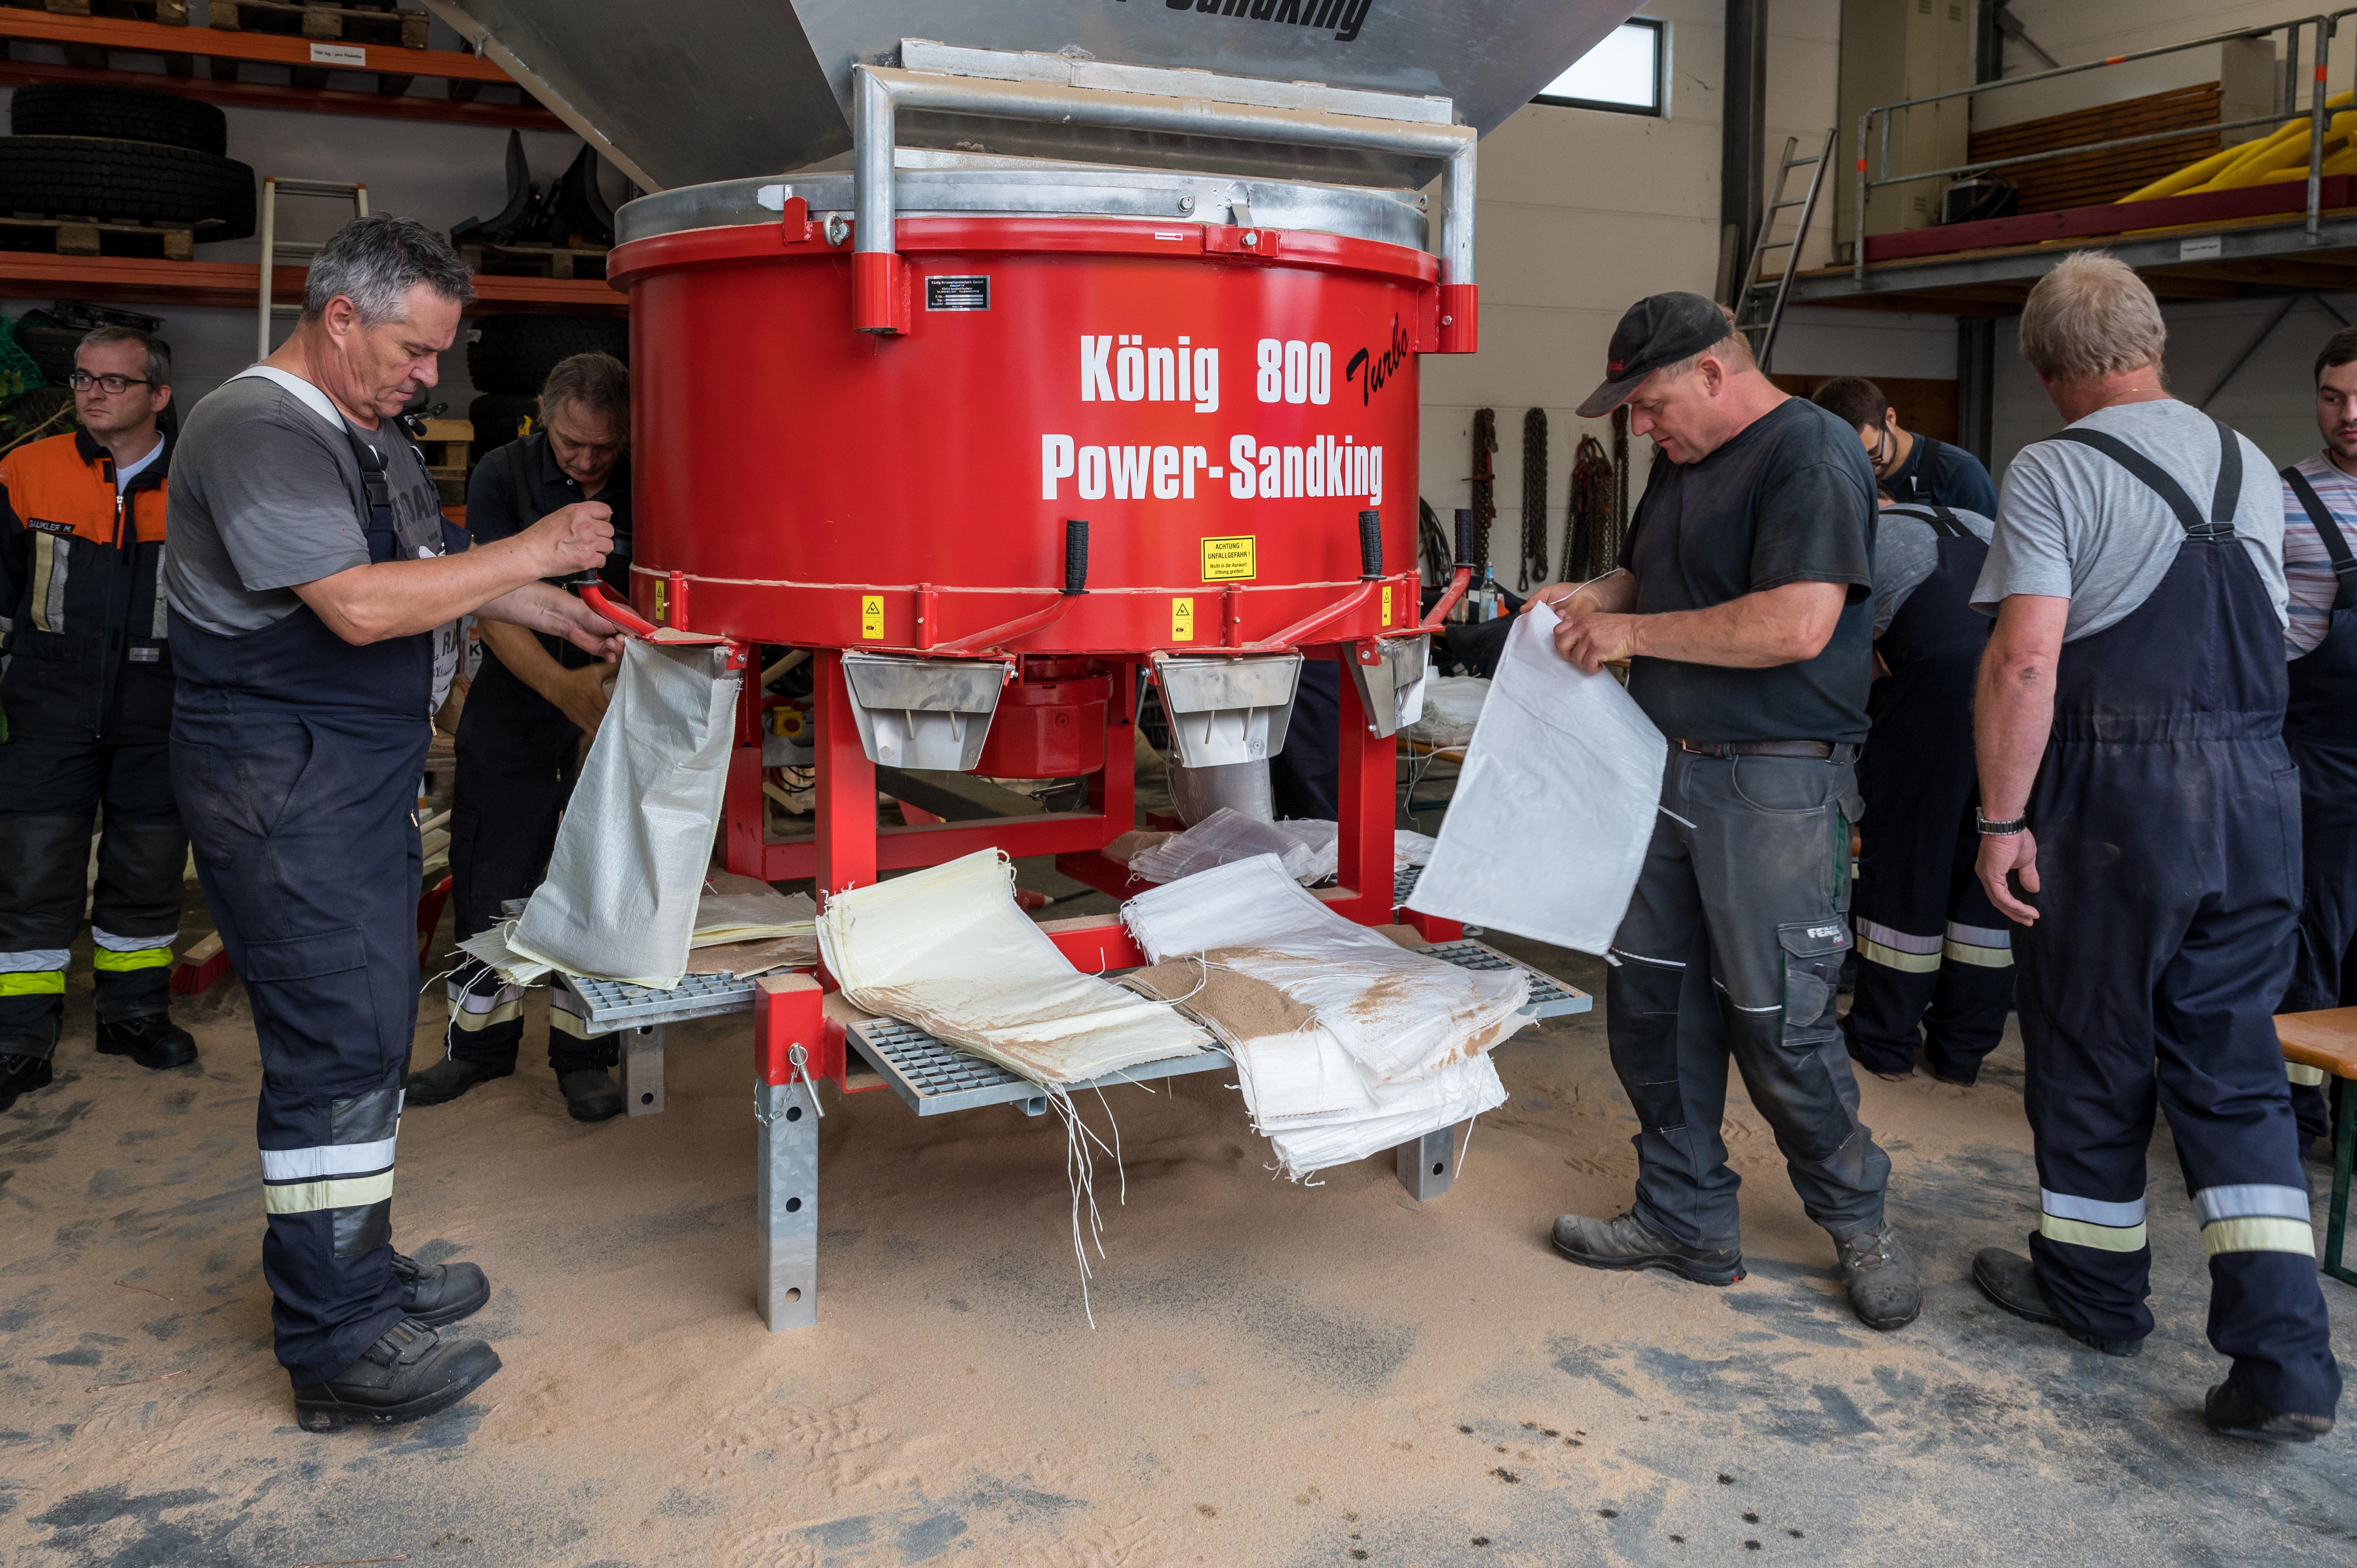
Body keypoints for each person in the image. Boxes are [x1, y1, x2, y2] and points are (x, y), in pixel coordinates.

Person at [165, 215, 622, 1431]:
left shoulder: (361, 432)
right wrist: (534, 545)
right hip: (281, 783)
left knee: (364, 1029)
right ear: (341, 319)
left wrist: (556, 607)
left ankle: (356, 1273)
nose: (432, 377)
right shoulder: (255, 429)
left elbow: (435, 568)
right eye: (416, 352)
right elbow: (364, 607)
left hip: (341, 780)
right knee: (334, 1043)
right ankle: (336, 1343)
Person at [1968, 252, 2339, 1442]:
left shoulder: (2052, 469)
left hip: (2119, 799)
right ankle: (2286, 1360)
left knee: (2091, 1043)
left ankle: (2093, 1291)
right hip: (2257, 795)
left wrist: (2002, 819)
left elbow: (2028, 659)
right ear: (2157, 344)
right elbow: (2277, 634)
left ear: (2043, 368)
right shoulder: (2248, 459)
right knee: (2234, 1070)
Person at [1538, 292, 1918, 1332]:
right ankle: (1682, 1216)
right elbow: (1647, 572)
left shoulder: (1809, 452)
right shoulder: (1682, 461)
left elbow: (1796, 621)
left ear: (1713, 371)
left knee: (1778, 1019)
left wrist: (1635, 637)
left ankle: (1858, 1222)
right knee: (1653, 1004)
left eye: (1650, 401)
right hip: (1660, 765)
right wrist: (1598, 596)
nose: (1640, 426)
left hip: (1774, 783)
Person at [412, 353, 632, 1121]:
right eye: (573, 443)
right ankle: (477, 1046)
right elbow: (493, 603)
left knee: (599, 878)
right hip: (523, 688)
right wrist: (562, 689)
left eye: (605, 447)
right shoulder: (504, 472)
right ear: (544, 413)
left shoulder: (653, 472)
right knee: (492, 868)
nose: (588, 459)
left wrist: (606, 690)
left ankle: (586, 1052)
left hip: (620, 696)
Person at [0, 328, 195, 1112]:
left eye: (116, 382)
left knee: (148, 867)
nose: (94, 392)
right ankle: (18, 1033)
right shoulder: (25, 470)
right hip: (48, 701)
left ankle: (133, 1013)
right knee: (31, 870)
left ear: (158, 396)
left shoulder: (202, 481)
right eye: (85, 379)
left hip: (163, 702)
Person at [1841, 488, 2011, 1085]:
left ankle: (1884, 1044)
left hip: (1935, 692)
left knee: (1910, 864)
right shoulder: (1976, 518)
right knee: (1990, 865)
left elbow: (1842, 664)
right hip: (2025, 691)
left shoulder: (1855, 538)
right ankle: (1962, 1053)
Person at [2275, 328, 2357, 1154]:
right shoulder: (2284, 495)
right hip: (2319, 758)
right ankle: (2297, 1120)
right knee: (2312, 938)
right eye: (2334, 397)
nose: (2349, 414)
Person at [1811, 376, 2000, 515]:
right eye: (1849, 459)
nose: (1864, 468)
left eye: (1872, 453)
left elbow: (1990, 551)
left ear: (1890, 419)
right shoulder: (1826, 473)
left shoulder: (1959, 472)